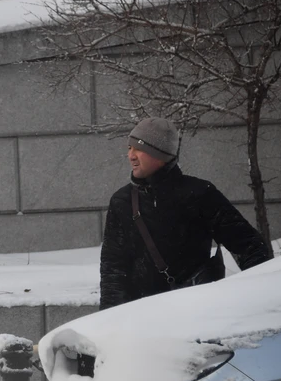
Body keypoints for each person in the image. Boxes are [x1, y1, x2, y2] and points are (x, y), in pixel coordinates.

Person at [99, 117, 272, 310]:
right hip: (143, 319)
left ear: (161, 154)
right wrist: (109, 321)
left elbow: (250, 247)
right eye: (129, 148)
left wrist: (263, 303)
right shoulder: (121, 201)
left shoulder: (199, 194)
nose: (131, 155)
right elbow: (113, 269)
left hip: (196, 316)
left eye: (139, 148)